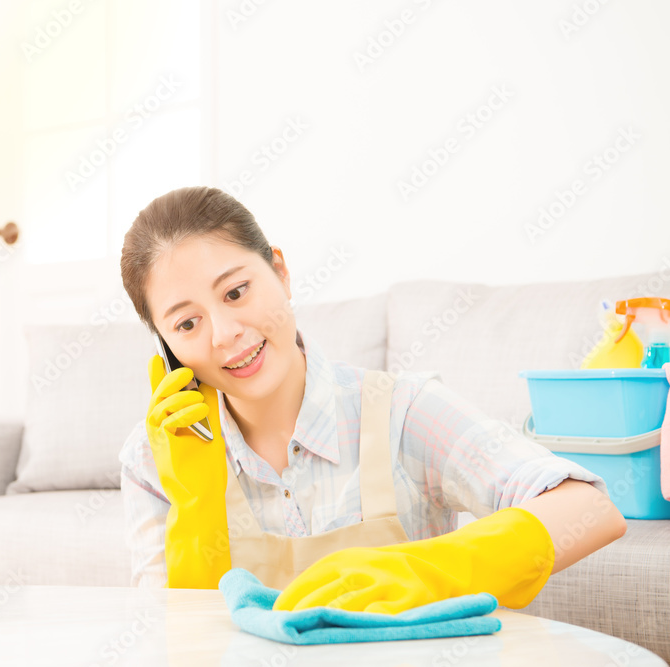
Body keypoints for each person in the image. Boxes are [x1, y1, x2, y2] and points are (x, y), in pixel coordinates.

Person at [117, 185, 626, 613]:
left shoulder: (399, 411)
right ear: (165, 347)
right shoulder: (154, 457)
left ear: (280, 272)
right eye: (187, 323)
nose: (225, 333)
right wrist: (195, 508)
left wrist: (428, 569)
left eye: (235, 292)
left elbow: (589, 508)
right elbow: (174, 645)